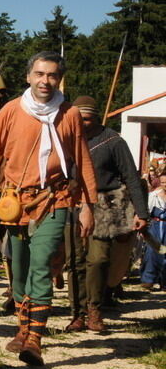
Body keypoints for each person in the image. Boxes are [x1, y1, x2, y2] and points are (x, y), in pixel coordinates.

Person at [0, 52, 96, 366]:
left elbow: (83, 159)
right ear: (29, 76)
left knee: (41, 265)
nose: (45, 81)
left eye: (51, 75)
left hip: (55, 200)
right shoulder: (12, 111)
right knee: (19, 270)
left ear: (59, 79)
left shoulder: (70, 114)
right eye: (39, 74)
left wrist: (89, 205)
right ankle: (23, 328)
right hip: (15, 203)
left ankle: (35, 338)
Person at [62, 96, 148, 332]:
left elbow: (131, 176)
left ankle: (94, 309)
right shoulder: (64, 139)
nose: (82, 123)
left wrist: (141, 212)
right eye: (78, 118)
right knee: (75, 262)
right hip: (72, 203)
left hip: (104, 205)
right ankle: (77, 314)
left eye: (87, 119)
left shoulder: (113, 141)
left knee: (98, 260)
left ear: (97, 118)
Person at [140, 173, 166, 291]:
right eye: (163, 182)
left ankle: (164, 282)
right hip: (155, 226)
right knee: (152, 252)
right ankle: (148, 280)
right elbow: (147, 212)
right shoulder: (153, 196)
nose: (165, 184)